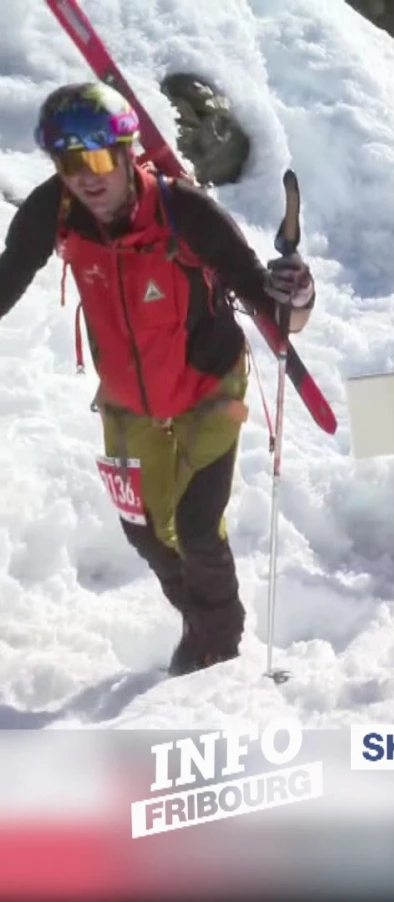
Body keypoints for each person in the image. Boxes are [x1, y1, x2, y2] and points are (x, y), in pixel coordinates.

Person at [0, 83, 315, 676]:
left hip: (208, 386)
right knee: (145, 532)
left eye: (96, 159)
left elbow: (275, 313)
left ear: (124, 153)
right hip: (127, 396)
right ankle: (196, 616)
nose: (86, 178)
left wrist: (298, 295)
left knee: (196, 529)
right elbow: (7, 278)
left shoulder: (185, 213)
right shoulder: (56, 209)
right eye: (69, 163)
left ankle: (219, 644)